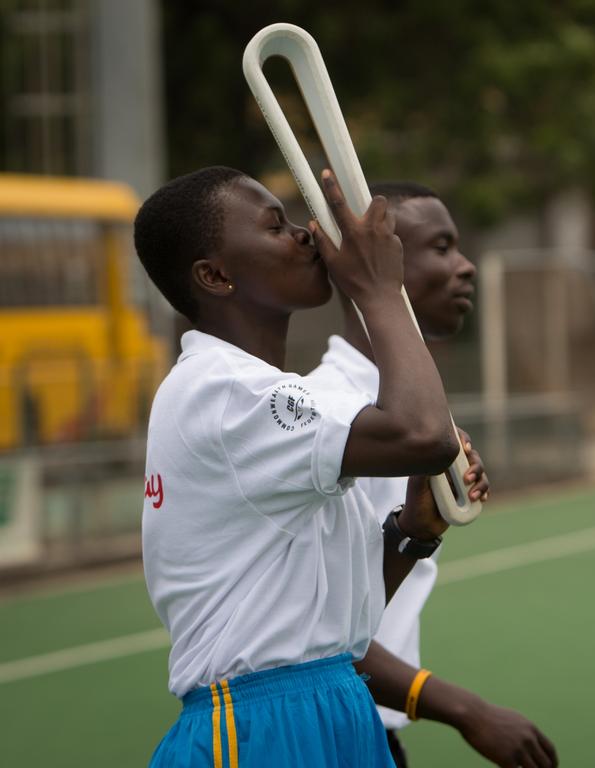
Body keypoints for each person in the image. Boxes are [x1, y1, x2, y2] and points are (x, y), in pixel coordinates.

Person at [135, 166, 483, 767]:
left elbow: (343, 618)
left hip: (334, 702)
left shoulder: (279, 400)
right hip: (255, 725)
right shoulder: (219, 390)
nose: (305, 235)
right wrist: (378, 290)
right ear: (215, 275)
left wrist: (412, 532)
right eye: (277, 226)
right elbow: (424, 435)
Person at [308, 181, 558, 768]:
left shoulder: (398, 406)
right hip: (325, 727)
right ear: (378, 263)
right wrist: (464, 708)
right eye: (440, 248)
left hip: (366, 726)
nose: (465, 266)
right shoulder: (336, 414)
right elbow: (316, 628)